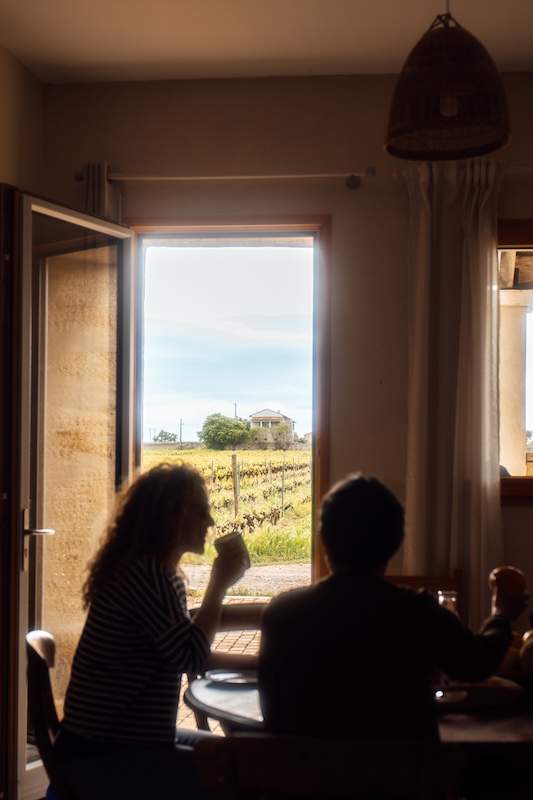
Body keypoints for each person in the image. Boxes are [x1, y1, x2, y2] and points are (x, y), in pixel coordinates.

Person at [258, 472, 528, 740]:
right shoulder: (417, 612)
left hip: (303, 780)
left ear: (324, 540)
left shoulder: (282, 613)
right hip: (406, 780)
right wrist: (501, 615)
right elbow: (477, 663)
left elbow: (272, 715)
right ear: (395, 544)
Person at [56, 462, 258, 800]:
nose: (209, 521)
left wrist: (253, 665)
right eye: (200, 511)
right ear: (170, 516)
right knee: (245, 775)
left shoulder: (147, 572)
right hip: (105, 760)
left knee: (243, 759)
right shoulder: (147, 577)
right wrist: (219, 584)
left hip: (115, 746)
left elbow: (183, 650)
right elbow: (192, 656)